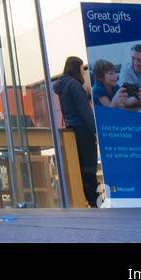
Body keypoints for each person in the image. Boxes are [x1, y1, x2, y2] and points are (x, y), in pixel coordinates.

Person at [54, 56, 98, 207]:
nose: (83, 71)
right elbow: (84, 110)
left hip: (71, 129)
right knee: (90, 167)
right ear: (75, 68)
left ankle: (89, 199)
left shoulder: (63, 85)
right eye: (81, 68)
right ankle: (95, 200)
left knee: (80, 168)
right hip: (83, 130)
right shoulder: (74, 85)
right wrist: (94, 130)